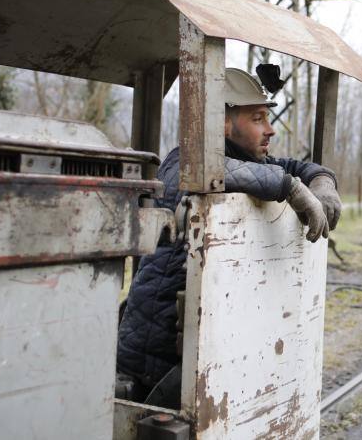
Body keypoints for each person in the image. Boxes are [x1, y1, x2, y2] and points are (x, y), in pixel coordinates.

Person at [117, 67, 342, 407]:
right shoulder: (182, 162)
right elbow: (208, 170)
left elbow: (300, 168)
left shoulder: (251, 159)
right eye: (257, 119)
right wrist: (289, 188)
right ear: (222, 122)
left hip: (201, 347)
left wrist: (322, 183)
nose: (270, 130)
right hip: (156, 360)